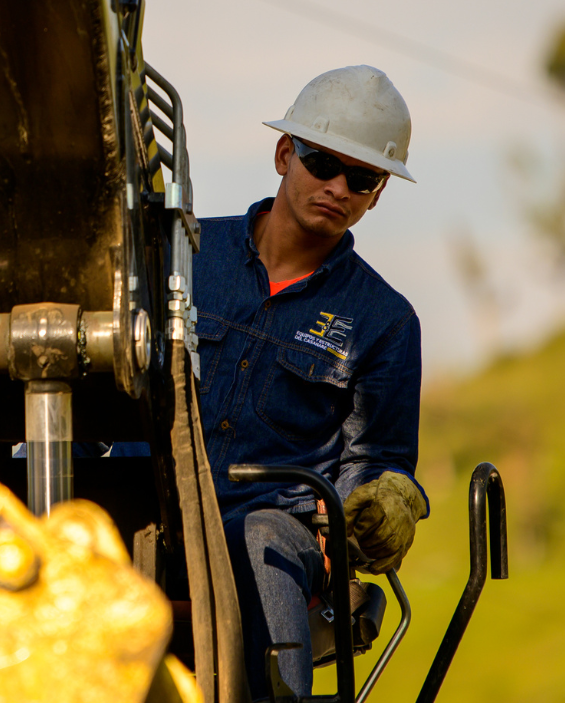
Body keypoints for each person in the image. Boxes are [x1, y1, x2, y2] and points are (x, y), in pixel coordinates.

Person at [192, 65, 430, 698]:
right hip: (153, 499)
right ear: (283, 154)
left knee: (260, 538)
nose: (337, 187)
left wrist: (394, 499)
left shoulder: (384, 321)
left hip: (274, 532)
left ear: (377, 193)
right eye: (323, 162)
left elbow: (380, 460)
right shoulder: (184, 255)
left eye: (360, 177)